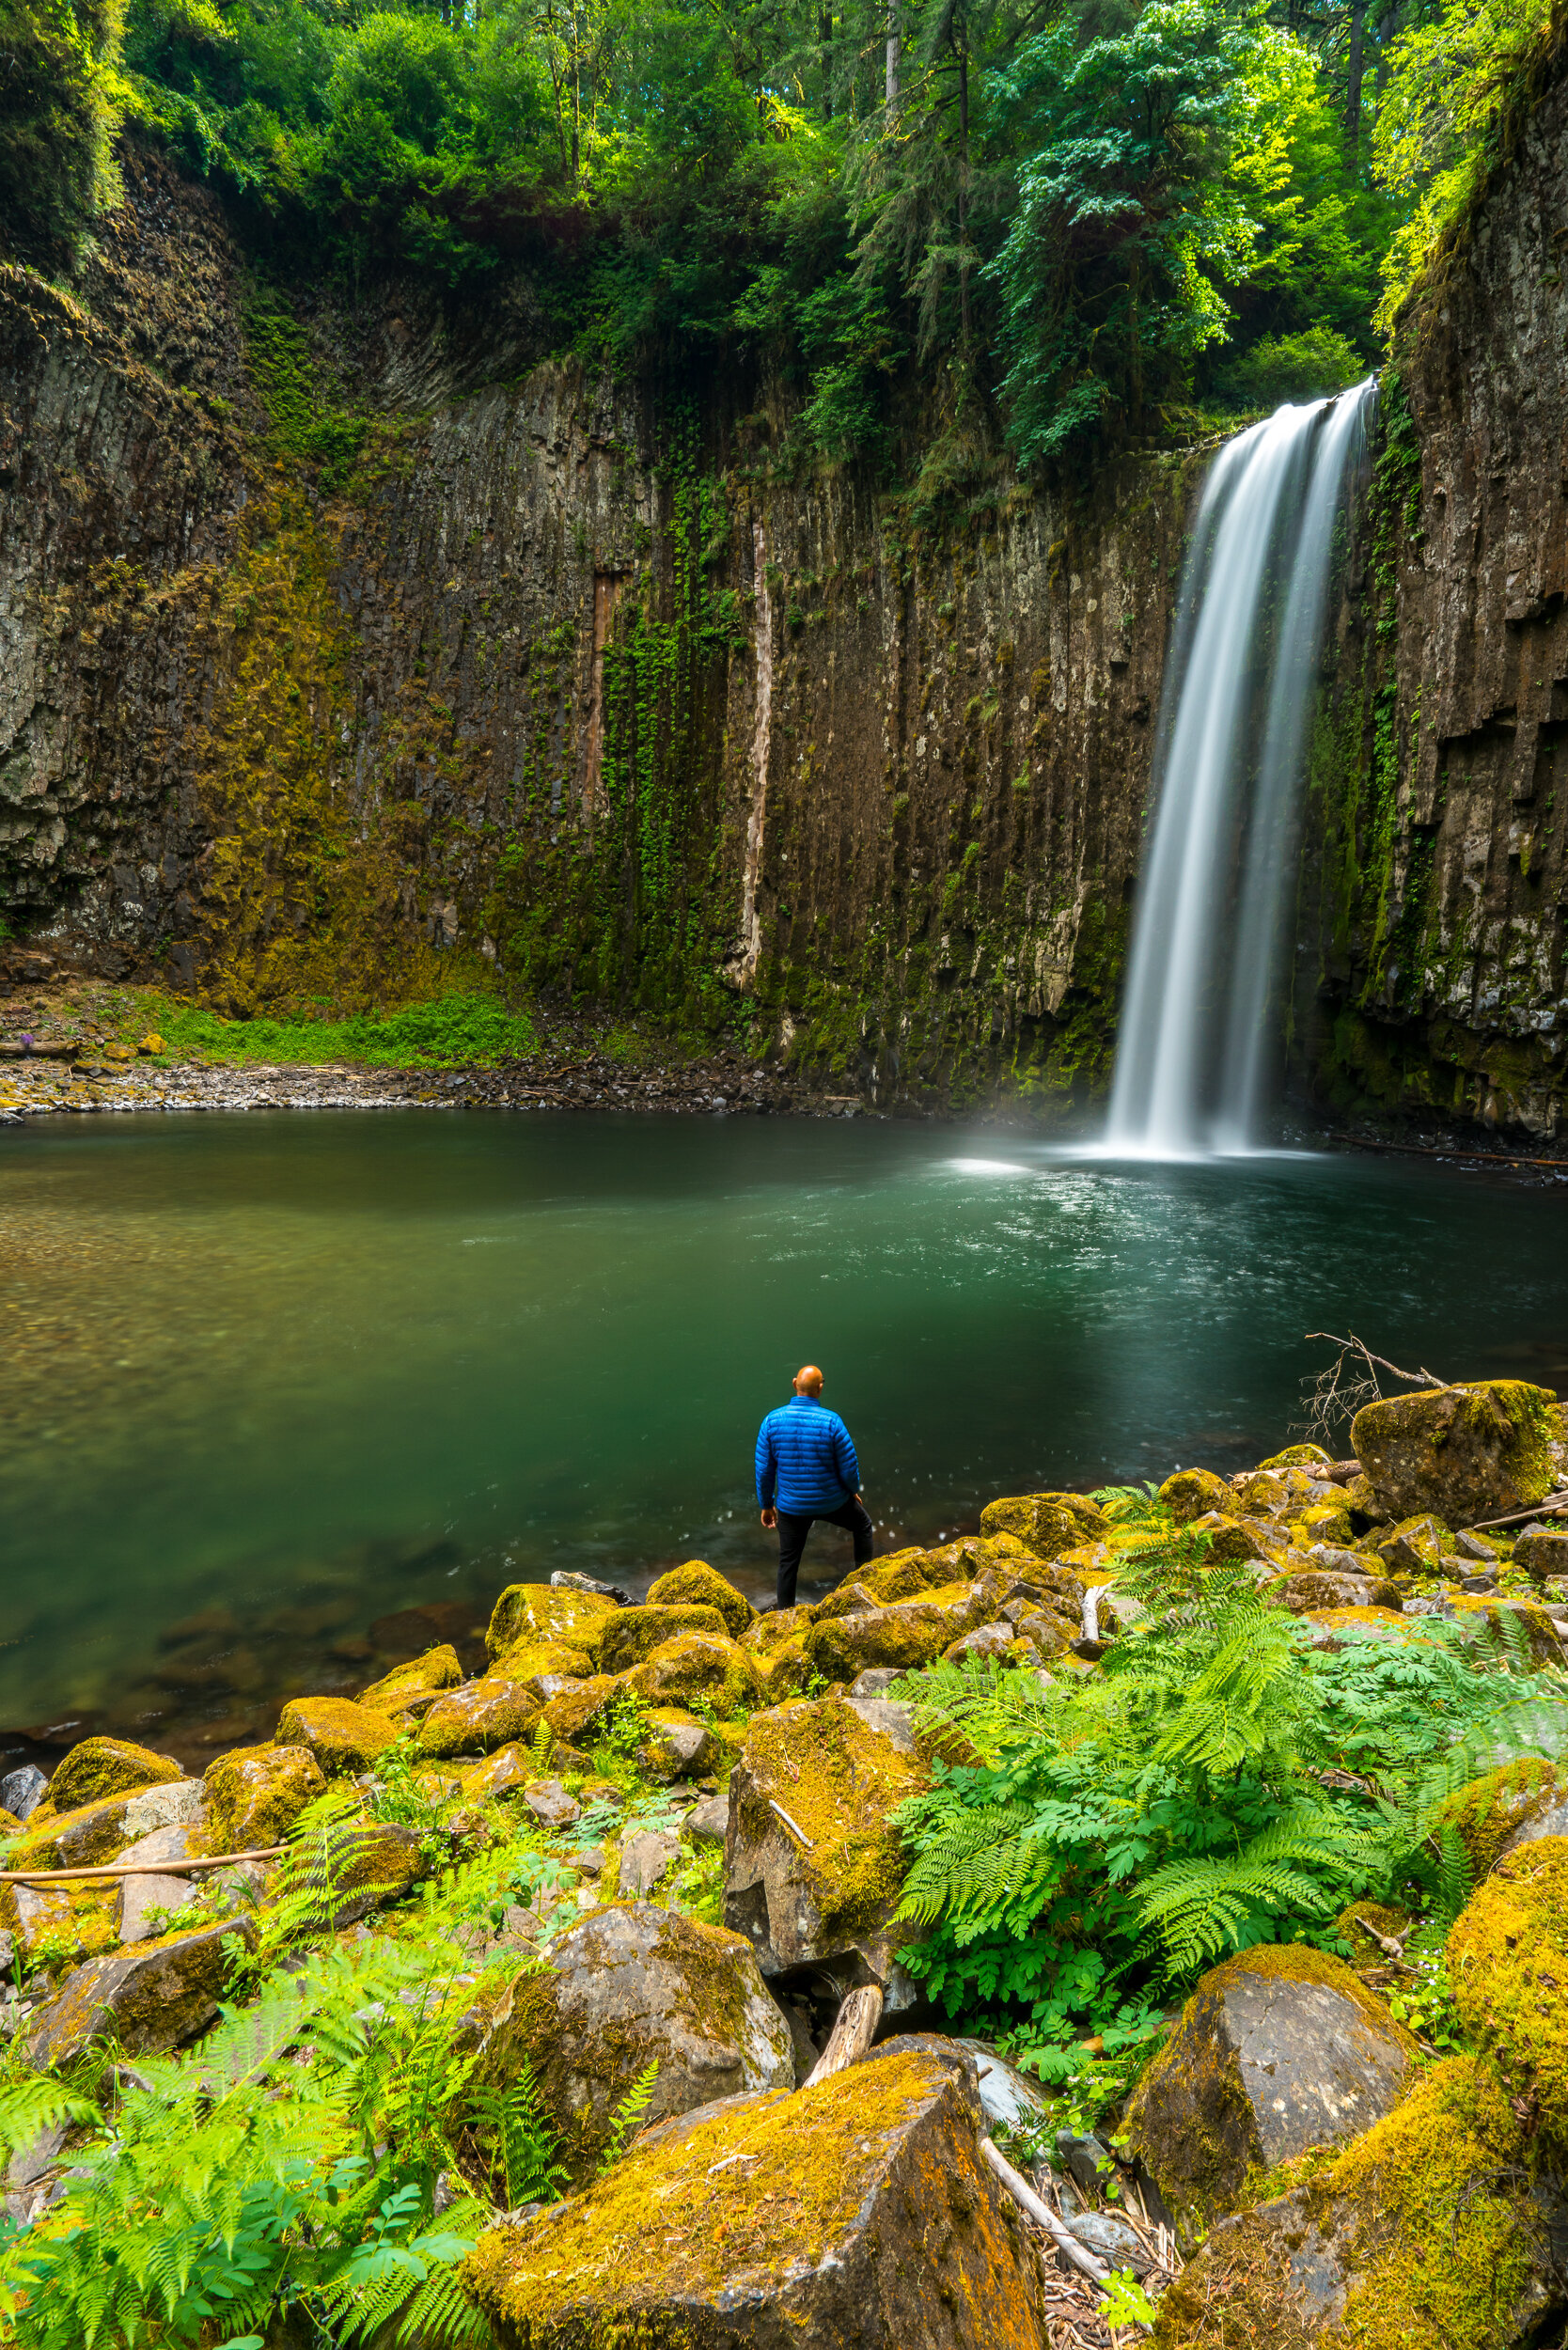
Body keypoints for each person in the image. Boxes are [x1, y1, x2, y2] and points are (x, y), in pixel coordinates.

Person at [754, 1364, 874, 1610]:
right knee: (862, 1525)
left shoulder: (771, 1421)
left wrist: (766, 1505)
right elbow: (849, 1468)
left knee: (788, 1562)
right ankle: (863, 1584)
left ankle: (784, 1615)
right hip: (833, 1502)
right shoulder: (832, 1422)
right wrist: (851, 1491)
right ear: (820, 1389)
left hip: (791, 1508)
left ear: (794, 1384)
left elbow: (764, 1470)